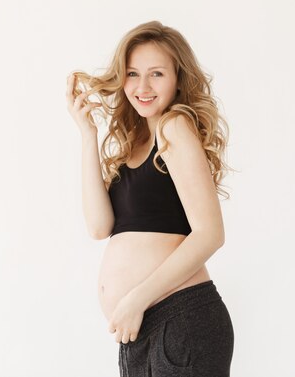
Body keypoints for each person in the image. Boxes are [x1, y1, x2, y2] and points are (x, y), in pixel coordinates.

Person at [65, 20, 235, 376]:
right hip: (138, 329)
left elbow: (210, 233)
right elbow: (99, 227)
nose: (142, 86)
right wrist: (87, 135)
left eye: (156, 74)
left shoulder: (174, 127)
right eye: (132, 74)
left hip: (179, 318)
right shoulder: (134, 145)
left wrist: (136, 299)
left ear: (177, 79)